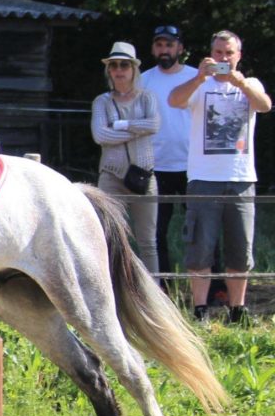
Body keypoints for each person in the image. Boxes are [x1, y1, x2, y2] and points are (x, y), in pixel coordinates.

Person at [169, 30, 272, 323]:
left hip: (240, 178)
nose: (223, 59)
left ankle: (238, 311)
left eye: (228, 53)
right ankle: (200, 310)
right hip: (202, 178)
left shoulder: (250, 83)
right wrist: (199, 78)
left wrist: (240, 83)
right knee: (200, 246)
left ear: (239, 56)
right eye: (218, 53)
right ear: (210, 54)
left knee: (240, 250)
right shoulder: (198, 85)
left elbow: (264, 105)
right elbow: (174, 100)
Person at [90, 41, 161, 274]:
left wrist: (121, 125)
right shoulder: (102, 101)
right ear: (108, 70)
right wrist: (136, 131)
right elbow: (100, 135)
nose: (119, 70)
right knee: (109, 238)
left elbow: (154, 124)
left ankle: (155, 292)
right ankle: (111, 291)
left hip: (143, 175)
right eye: (114, 65)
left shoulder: (147, 97)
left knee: (147, 241)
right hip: (111, 175)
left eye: (124, 65)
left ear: (133, 69)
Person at [140, 25, 197, 291]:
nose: (165, 50)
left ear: (180, 48)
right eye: (160, 45)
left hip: (193, 167)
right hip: (155, 166)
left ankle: (215, 286)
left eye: (170, 45)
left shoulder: (197, 77)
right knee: (156, 232)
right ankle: (161, 289)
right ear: (153, 49)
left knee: (200, 229)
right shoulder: (143, 80)